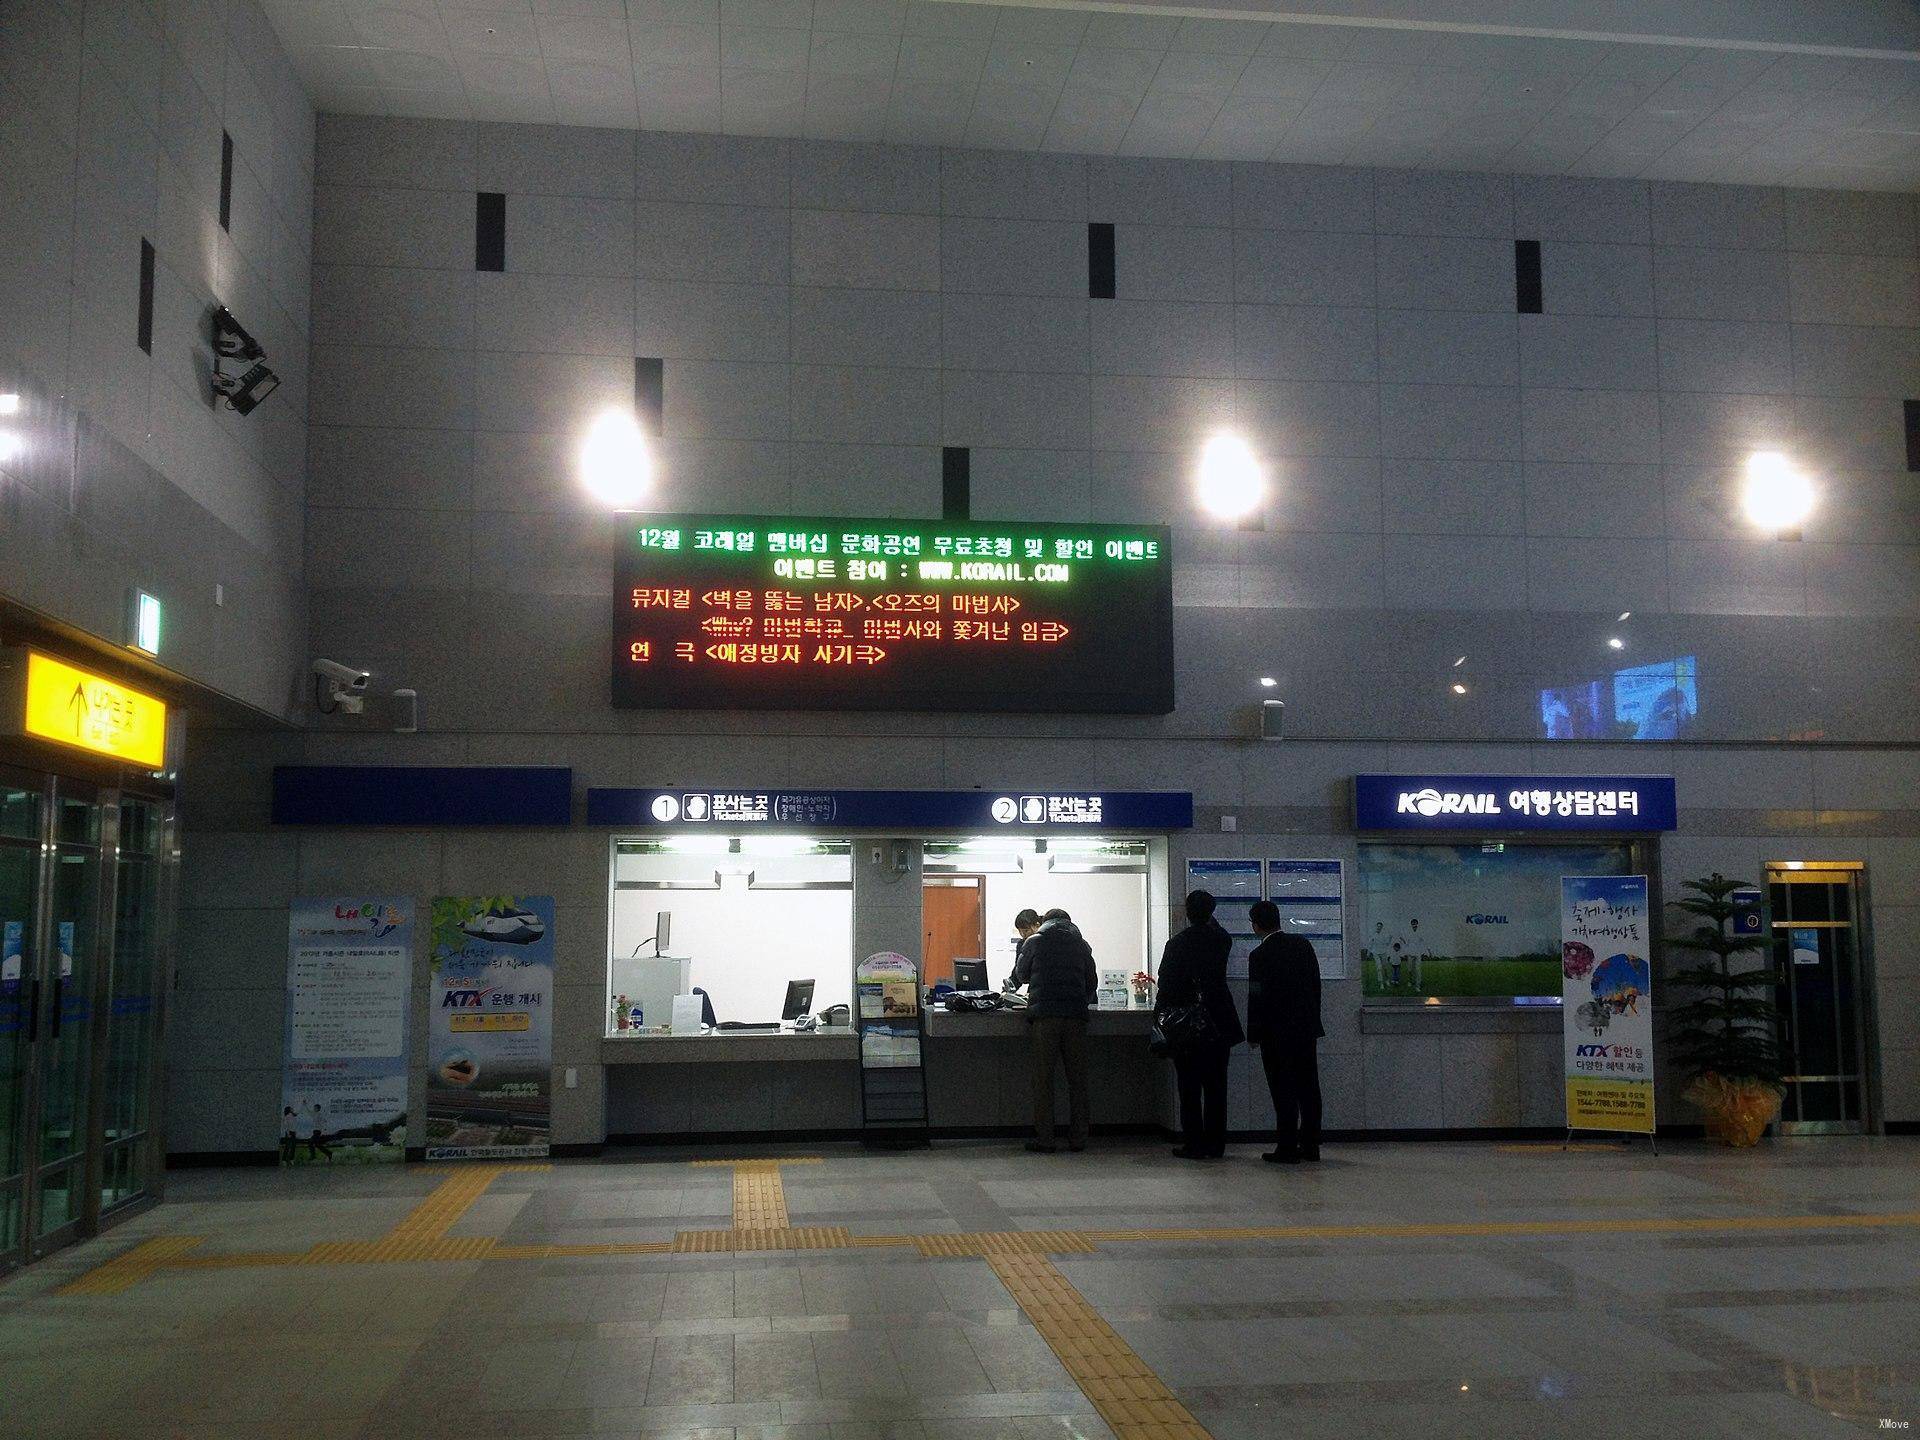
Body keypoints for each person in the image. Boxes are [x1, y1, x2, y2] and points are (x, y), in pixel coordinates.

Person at [1155, 890, 1243, 1160]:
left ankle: (1193, 1143)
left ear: (1187, 913)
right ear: (1211, 912)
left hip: (1188, 1026)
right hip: (1218, 1021)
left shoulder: (1177, 944)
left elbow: (1166, 984)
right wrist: (1207, 917)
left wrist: (1158, 1017)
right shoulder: (1222, 941)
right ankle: (1216, 1145)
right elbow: (1218, 930)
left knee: (1189, 1087)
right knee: (1217, 1087)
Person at [1010, 907, 1097, 1153]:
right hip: (1076, 1018)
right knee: (1077, 1081)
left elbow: (1021, 974)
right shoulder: (1081, 944)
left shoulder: (1035, 942)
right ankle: (1078, 1139)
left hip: (1045, 1018)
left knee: (1043, 1080)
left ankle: (1045, 1140)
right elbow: (1092, 982)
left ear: (1044, 922)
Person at [1245, 900, 1324, 1164]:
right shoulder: (1302, 945)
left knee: (1283, 1090)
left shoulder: (1258, 956)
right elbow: (1315, 985)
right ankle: (1311, 1146)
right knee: (1309, 1087)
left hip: (1275, 1034)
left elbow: (1256, 997)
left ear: (1256, 925)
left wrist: (1254, 1034)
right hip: (1305, 1029)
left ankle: (1287, 1147)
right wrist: (1313, 1019)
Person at [1007, 907, 1042, 988]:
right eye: (1020, 931)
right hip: (1034, 987)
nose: (1023, 935)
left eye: (1026, 931)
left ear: (1037, 925)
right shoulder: (1022, 944)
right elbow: (1018, 971)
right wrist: (1008, 990)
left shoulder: (1047, 941)